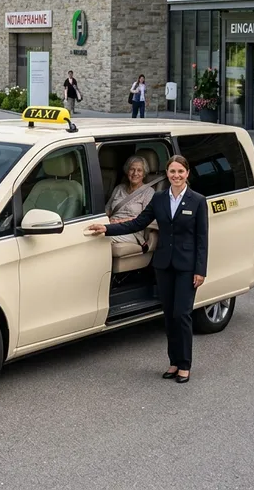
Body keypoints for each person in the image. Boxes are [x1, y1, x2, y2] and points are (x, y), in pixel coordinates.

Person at [85, 155, 208, 384]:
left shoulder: (197, 200)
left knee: (182, 315)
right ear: (167, 174)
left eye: (180, 171)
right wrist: (107, 228)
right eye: (172, 171)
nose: (176, 176)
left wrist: (200, 270)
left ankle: (185, 365)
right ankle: (173, 362)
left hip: (186, 267)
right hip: (163, 265)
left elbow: (202, 239)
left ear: (187, 173)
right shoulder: (160, 198)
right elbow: (138, 223)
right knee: (169, 316)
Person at [105, 156, 156, 250]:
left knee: (101, 238)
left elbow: (146, 218)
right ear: (127, 171)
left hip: (132, 231)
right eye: (132, 169)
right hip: (112, 226)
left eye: (139, 170)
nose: (135, 173)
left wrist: (119, 221)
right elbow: (107, 211)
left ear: (144, 174)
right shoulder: (119, 188)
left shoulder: (149, 192)